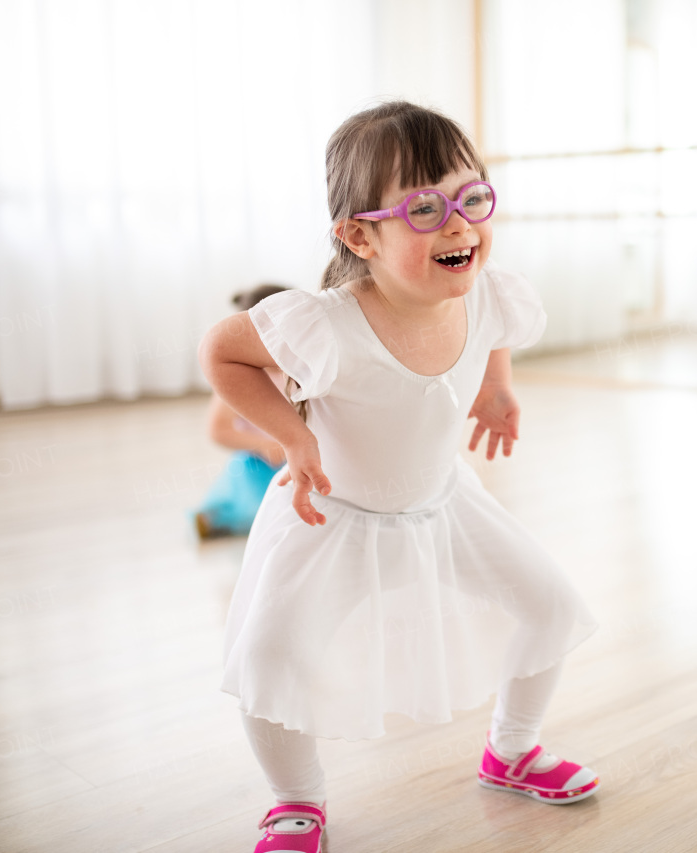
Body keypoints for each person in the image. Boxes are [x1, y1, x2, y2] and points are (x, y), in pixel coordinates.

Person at [198, 101, 601, 853]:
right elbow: (222, 352)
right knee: (271, 659)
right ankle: (295, 800)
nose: (459, 225)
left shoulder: (482, 289)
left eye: (471, 198)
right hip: (334, 519)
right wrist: (290, 437)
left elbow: (495, 331)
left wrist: (497, 386)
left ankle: (509, 752)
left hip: (442, 504)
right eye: (424, 208)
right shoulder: (326, 322)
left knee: (548, 607)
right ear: (359, 234)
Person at [192, 284, 292, 540]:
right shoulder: (239, 377)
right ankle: (217, 516)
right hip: (259, 462)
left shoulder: (297, 369)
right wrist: (263, 444)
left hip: (299, 457)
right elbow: (218, 429)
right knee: (258, 506)